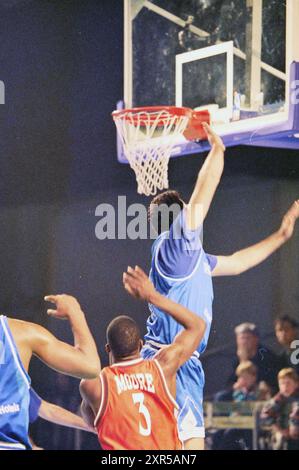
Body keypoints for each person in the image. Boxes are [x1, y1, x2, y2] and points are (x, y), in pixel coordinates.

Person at [144, 122, 299, 449]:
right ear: (177, 219)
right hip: (171, 359)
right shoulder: (174, 250)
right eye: (185, 210)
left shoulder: (195, 260)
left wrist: (282, 236)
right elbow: (200, 200)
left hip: (181, 360)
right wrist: (217, 150)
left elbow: (239, 261)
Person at [80, 266, 206, 450]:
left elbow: (91, 424)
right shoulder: (163, 367)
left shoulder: (94, 384)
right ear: (140, 345)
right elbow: (197, 326)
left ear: (108, 348)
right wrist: (152, 296)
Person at [0, 294, 100, 450]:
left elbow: (47, 410)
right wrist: (74, 311)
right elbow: (91, 367)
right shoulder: (21, 334)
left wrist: (90, 427)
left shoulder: (15, 384)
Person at [226, 322, 280, 392]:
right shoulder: (237, 358)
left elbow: (270, 379)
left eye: (247, 338)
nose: (244, 342)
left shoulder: (266, 355)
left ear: (256, 339)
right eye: (241, 338)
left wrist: (245, 363)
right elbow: (230, 382)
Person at [261, 368, 299, 450]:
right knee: (281, 440)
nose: (285, 386)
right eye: (282, 383)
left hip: (295, 433)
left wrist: (294, 429)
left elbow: (295, 416)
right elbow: (265, 414)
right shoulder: (278, 399)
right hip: (281, 433)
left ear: (296, 384)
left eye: (288, 383)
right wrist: (278, 429)